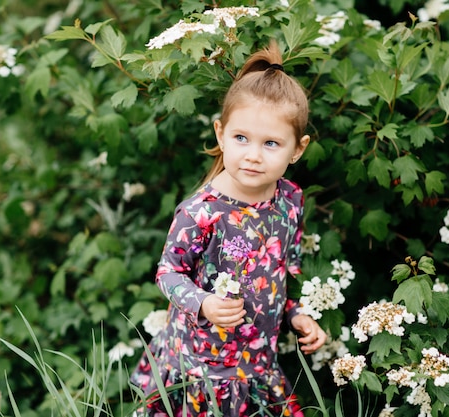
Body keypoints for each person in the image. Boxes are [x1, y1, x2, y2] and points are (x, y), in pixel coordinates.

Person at [130, 39, 327, 417]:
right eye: (241, 138)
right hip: (202, 369)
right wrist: (203, 302)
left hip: (256, 366)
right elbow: (168, 273)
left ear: (297, 149)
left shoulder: (290, 200)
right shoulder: (201, 212)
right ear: (221, 134)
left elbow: (282, 274)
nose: (253, 154)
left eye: (271, 143)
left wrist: (297, 315)